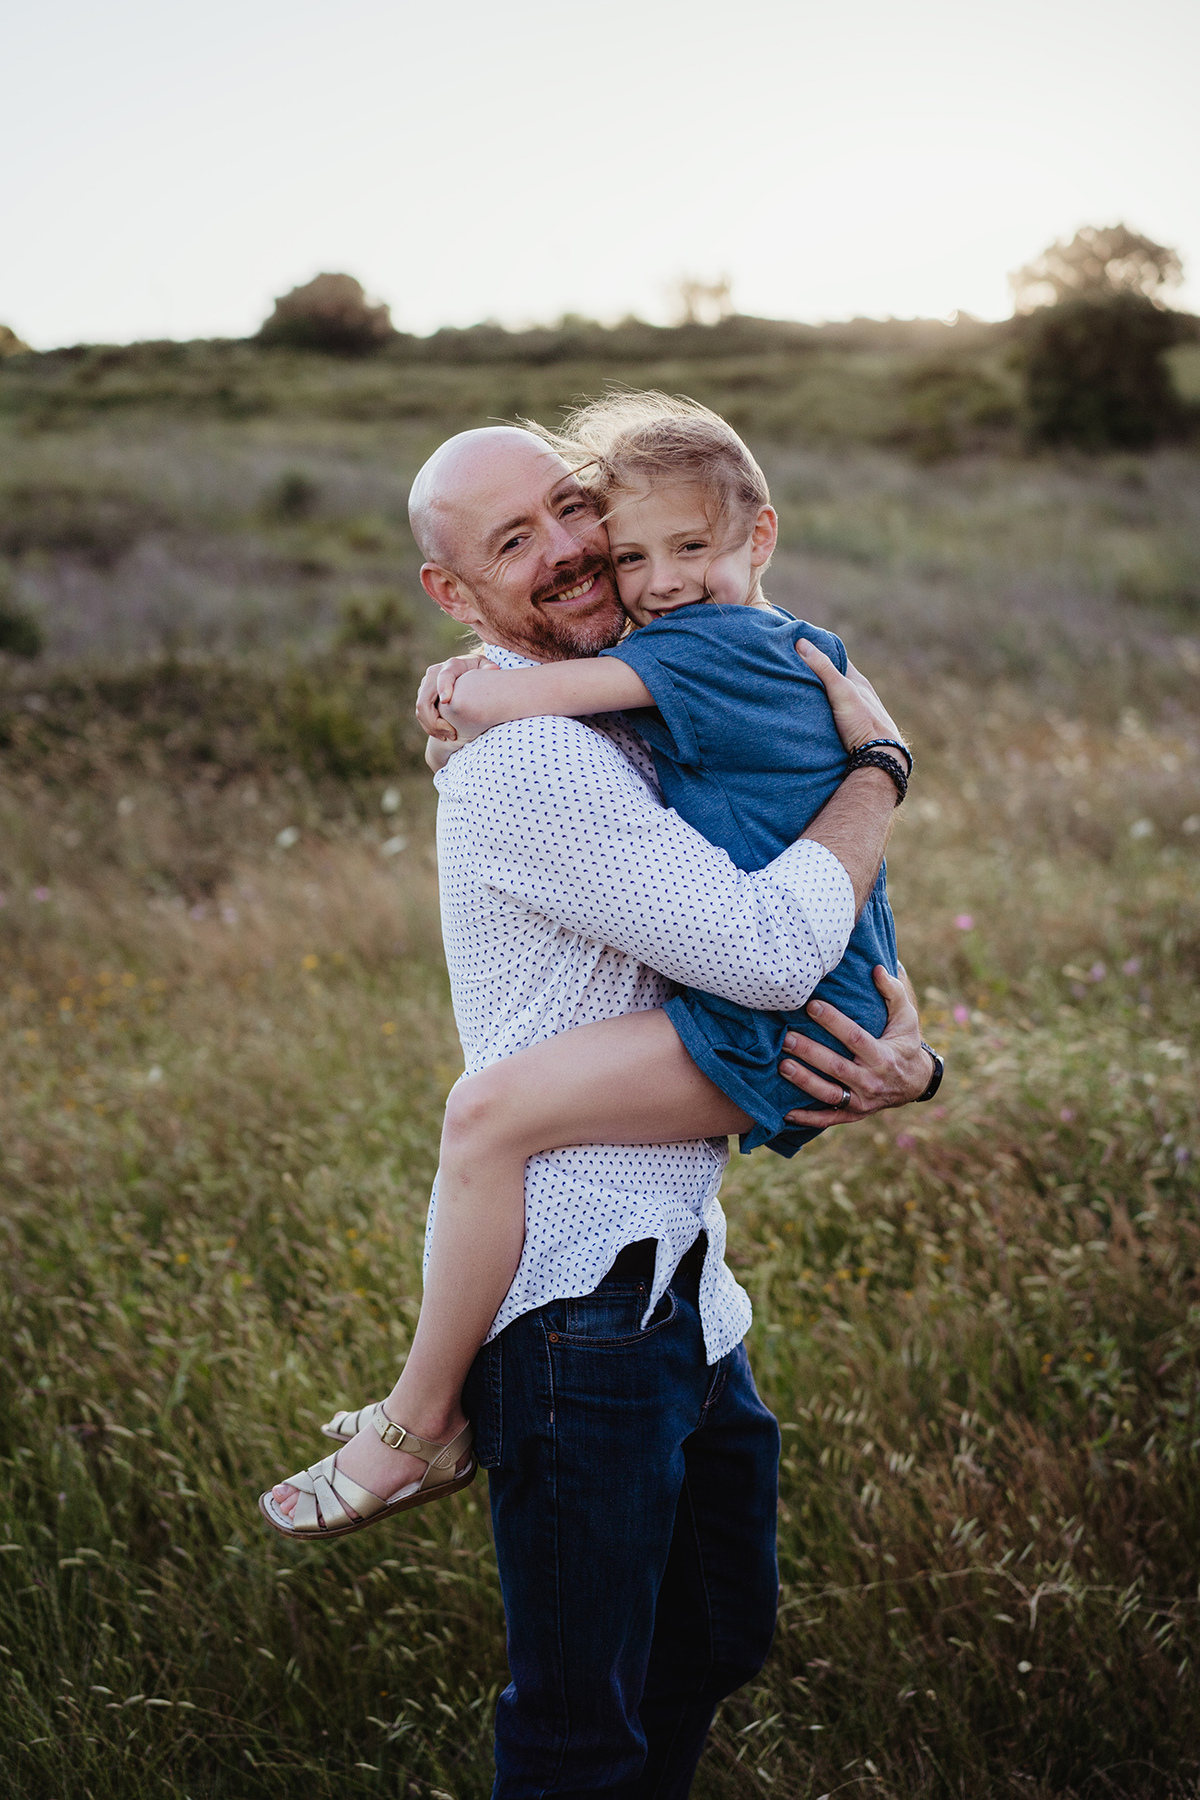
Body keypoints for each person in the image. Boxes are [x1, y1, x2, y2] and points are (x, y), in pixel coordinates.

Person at [263, 419, 934, 1796]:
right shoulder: (534, 753)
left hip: (687, 1286)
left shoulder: (623, 709)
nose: (573, 552)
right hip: (580, 1315)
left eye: (577, 513)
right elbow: (761, 952)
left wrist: (912, 1052)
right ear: (455, 595)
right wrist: (883, 772)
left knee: (712, 1640)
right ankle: (416, 1419)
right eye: (518, 542)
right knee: (579, 1732)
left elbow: (790, 867)